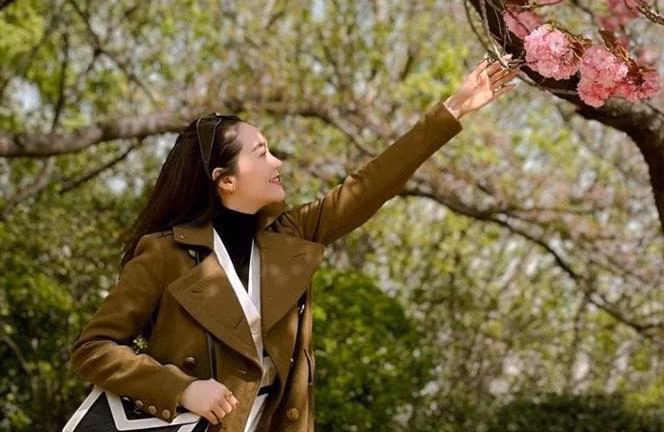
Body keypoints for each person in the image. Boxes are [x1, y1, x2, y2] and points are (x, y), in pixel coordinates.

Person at [71, 57, 515, 432]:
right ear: (225, 180)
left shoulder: (292, 235)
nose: (277, 161)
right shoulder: (164, 254)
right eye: (261, 153)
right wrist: (181, 387)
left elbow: (372, 184)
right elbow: (93, 349)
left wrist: (454, 109)